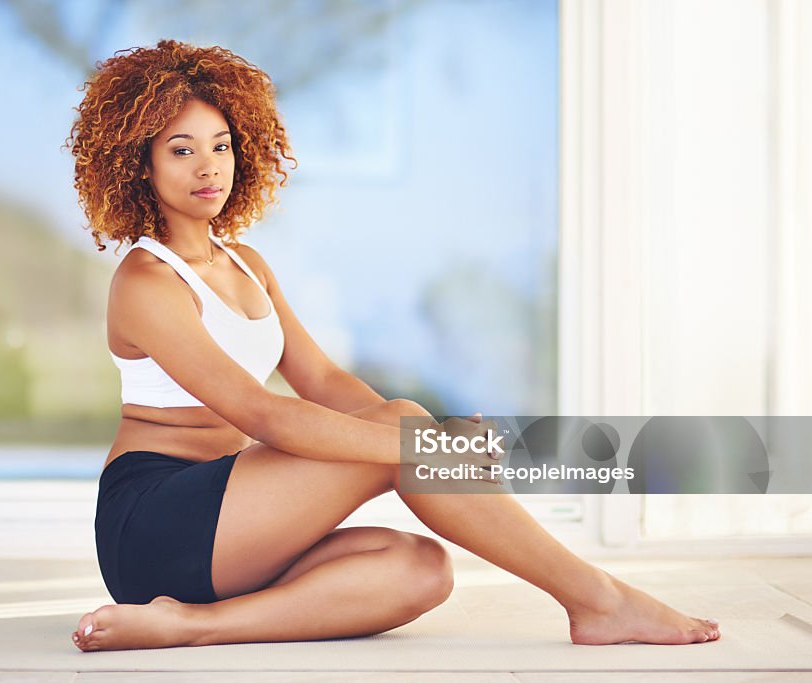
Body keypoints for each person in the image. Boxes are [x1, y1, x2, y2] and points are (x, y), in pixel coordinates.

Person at [64, 39, 720, 651]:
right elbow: (262, 414)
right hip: (156, 525)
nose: (209, 166)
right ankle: (598, 598)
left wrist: (423, 444)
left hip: (237, 520)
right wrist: (418, 446)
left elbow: (322, 381)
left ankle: (192, 624)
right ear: (138, 163)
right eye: (181, 150)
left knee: (421, 568)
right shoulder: (145, 281)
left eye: (222, 145)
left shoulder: (247, 264)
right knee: (406, 427)